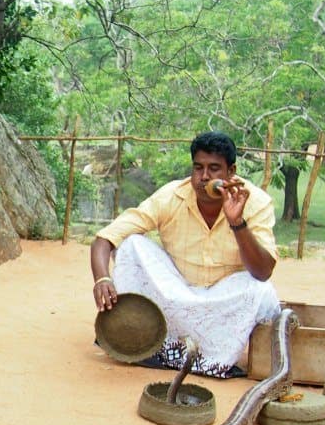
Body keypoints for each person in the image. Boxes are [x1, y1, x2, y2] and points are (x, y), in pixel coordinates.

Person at [90, 131, 280, 379]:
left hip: (223, 301)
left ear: (231, 172)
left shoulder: (256, 202)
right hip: (176, 293)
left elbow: (263, 272)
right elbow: (104, 239)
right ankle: (156, 344)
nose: (204, 177)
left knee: (262, 292)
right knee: (132, 245)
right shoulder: (171, 196)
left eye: (214, 169)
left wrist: (237, 222)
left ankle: (210, 359)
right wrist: (102, 279)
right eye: (198, 168)